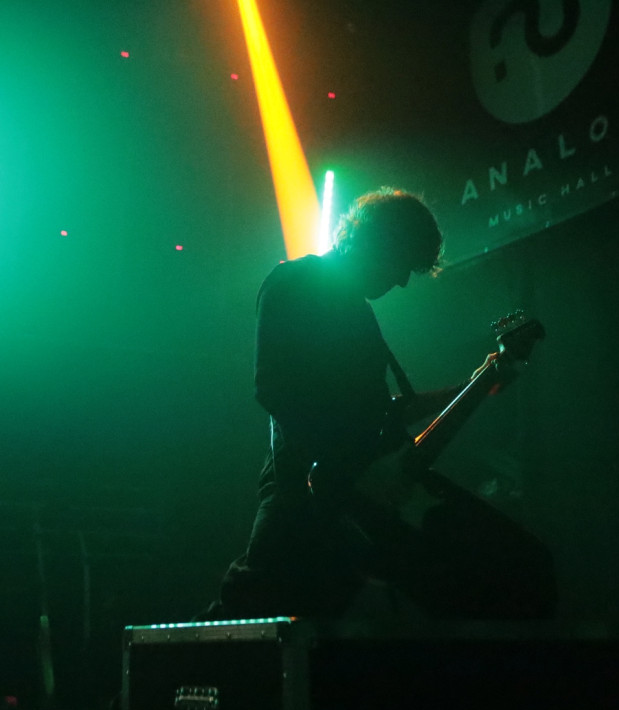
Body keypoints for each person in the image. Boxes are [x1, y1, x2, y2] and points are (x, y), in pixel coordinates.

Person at [204, 186, 556, 622]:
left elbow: (381, 411)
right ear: (374, 240)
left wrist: (473, 385)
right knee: (252, 613)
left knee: (513, 571)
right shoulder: (297, 282)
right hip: (306, 487)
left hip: (356, 491)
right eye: (402, 262)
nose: (403, 280)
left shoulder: (357, 309)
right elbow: (273, 388)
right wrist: (343, 468)